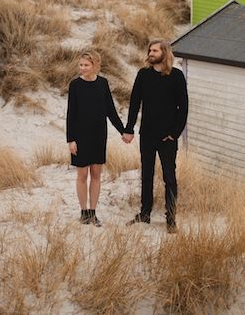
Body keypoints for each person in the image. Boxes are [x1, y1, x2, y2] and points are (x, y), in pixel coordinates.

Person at [122, 39, 188, 233]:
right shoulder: (143, 75)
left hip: (167, 137)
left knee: (169, 177)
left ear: (164, 53)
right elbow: (134, 103)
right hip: (147, 134)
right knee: (147, 175)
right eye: (149, 50)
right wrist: (129, 128)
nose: (150, 53)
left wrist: (174, 133)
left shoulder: (176, 76)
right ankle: (145, 213)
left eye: (155, 50)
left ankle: (171, 218)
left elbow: (183, 107)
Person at [66, 50, 126, 226]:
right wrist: (71, 139)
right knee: (82, 174)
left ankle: (93, 212)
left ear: (95, 66)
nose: (82, 68)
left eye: (86, 65)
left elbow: (110, 110)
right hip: (80, 136)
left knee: (96, 174)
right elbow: (71, 113)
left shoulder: (103, 83)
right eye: (81, 65)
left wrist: (123, 130)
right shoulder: (75, 85)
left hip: (99, 135)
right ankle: (83, 212)